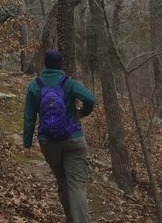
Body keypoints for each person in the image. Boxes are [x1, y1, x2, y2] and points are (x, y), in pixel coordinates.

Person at [23, 50, 96, 223]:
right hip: (74, 140)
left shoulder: (35, 85)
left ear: (45, 64)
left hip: (49, 143)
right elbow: (90, 98)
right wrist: (82, 113)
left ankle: (70, 218)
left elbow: (29, 116)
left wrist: (27, 144)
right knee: (76, 186)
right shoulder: (69, 83)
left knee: (63, 183)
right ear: (61, 65)